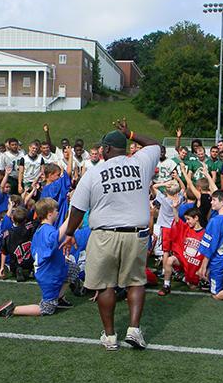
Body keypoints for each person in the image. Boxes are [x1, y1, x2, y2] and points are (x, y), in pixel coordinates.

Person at [62, 119, 160, 351]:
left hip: (105, 235)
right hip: (136, 234)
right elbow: (155, 144)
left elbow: (77, 210)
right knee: (136, 282)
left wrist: (69, 233)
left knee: (105, 285)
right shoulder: (140, 162)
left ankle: (110, 336)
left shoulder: (94, 173)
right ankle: (134, 330)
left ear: (106, 149)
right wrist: (131, 133)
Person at [0, 198, 73, 318]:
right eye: (56, 210)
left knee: (72, 269)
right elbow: (54, 238)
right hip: (48, 274)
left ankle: (59, 298)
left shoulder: (42, 229)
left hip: (52, 268)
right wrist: (70, 216)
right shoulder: (46, 230)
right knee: (47, 308)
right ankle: (12, 310)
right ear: (50, 213)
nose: (58, 212)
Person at [197, 189, 223, 299]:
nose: (211, 202)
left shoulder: (215, 221)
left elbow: (209, 246)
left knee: (216, 294)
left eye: (214, 200)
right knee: (208, 276)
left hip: (218, 259)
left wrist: (203, 265)